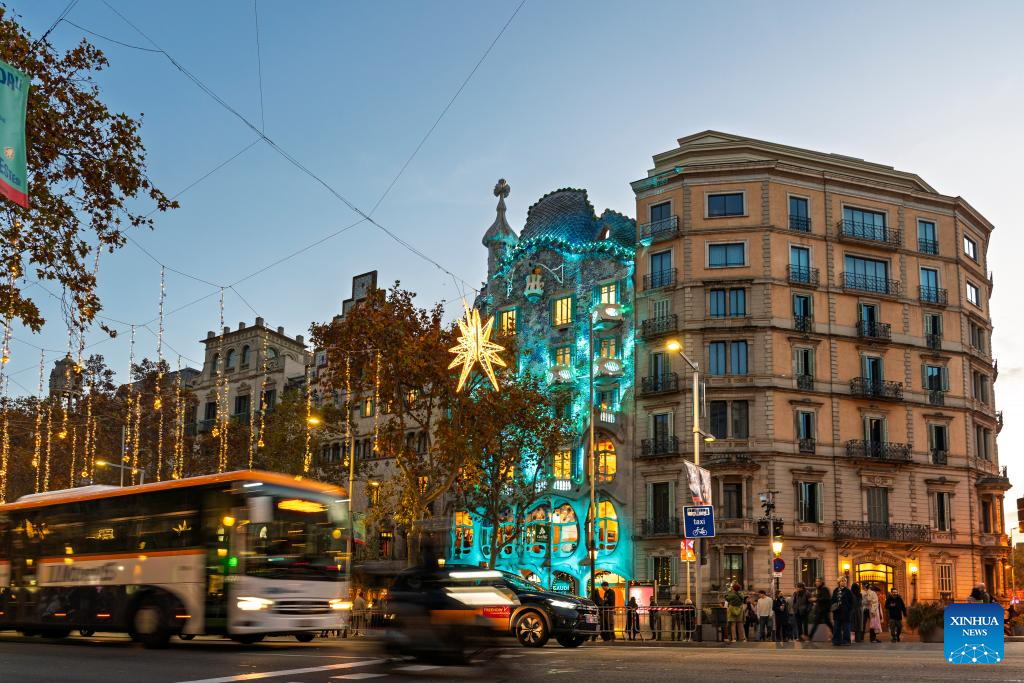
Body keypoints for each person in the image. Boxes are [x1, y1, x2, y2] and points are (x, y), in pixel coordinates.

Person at [805, 577, 833, 642]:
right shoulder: (820, 589)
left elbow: (826, 598)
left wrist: (816, 599)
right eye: (816, 581)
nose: (816, 582)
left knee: (828, 623)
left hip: (824, 610)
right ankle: (810, 637)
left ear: (821, 582)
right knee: (817, 623)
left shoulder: (824, 589)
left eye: (818, 581)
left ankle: (837, 635)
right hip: (821, 610)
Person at [831, 577, 853, 646]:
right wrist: (833, 606)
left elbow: (852, 602)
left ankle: (846, 641)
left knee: (846, 627)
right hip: (837, 612)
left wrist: (848, 608)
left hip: (846, 612)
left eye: (845, 581)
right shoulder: (835, 590)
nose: (843, 582)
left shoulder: (848, 591)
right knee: (837, 627)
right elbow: (833, 600)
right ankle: (837, 640)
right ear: (839, 582)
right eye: (842, 581)